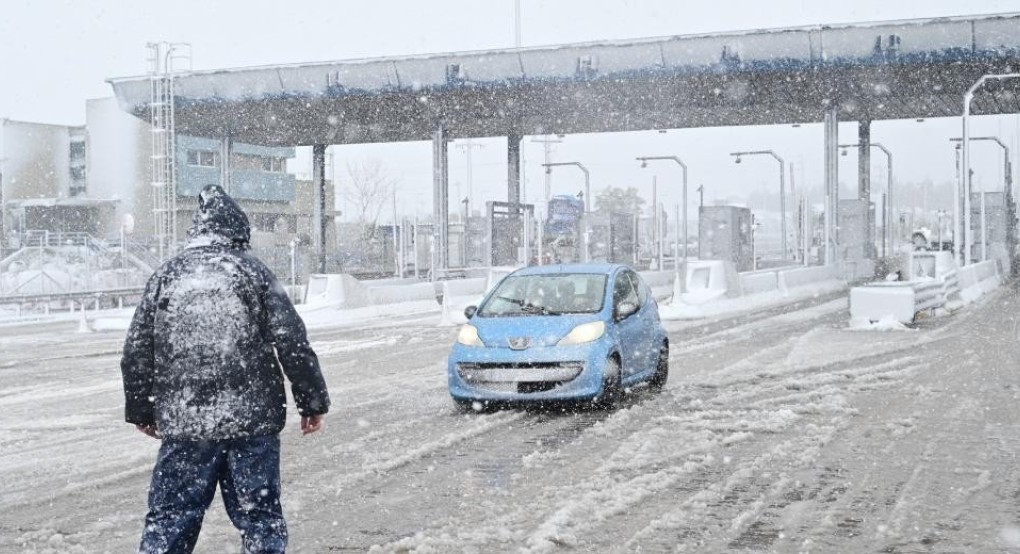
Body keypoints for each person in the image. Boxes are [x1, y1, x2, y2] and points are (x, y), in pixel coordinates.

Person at [121, 184, 331, 554]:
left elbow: (137, 349)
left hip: (187, 425)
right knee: (259, 518)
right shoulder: (253, 272)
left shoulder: (166, 276)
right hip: (252, 423)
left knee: (170, 519)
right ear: (238, 232)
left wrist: (142, 409)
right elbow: (292, 341)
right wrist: (311, 402)